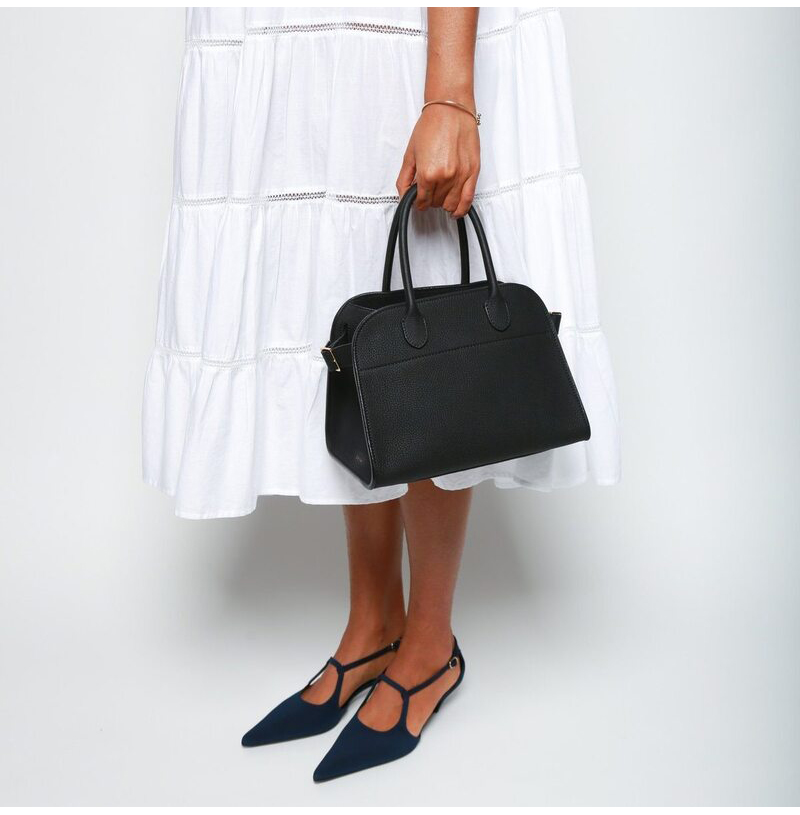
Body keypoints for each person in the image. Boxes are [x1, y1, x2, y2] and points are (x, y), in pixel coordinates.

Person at [142, 7, 620, 781]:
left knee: (428, 305)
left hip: (406, 31)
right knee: (351, 310)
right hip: (296, 36)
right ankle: (374, 625)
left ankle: (429, 646)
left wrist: (450, 92)